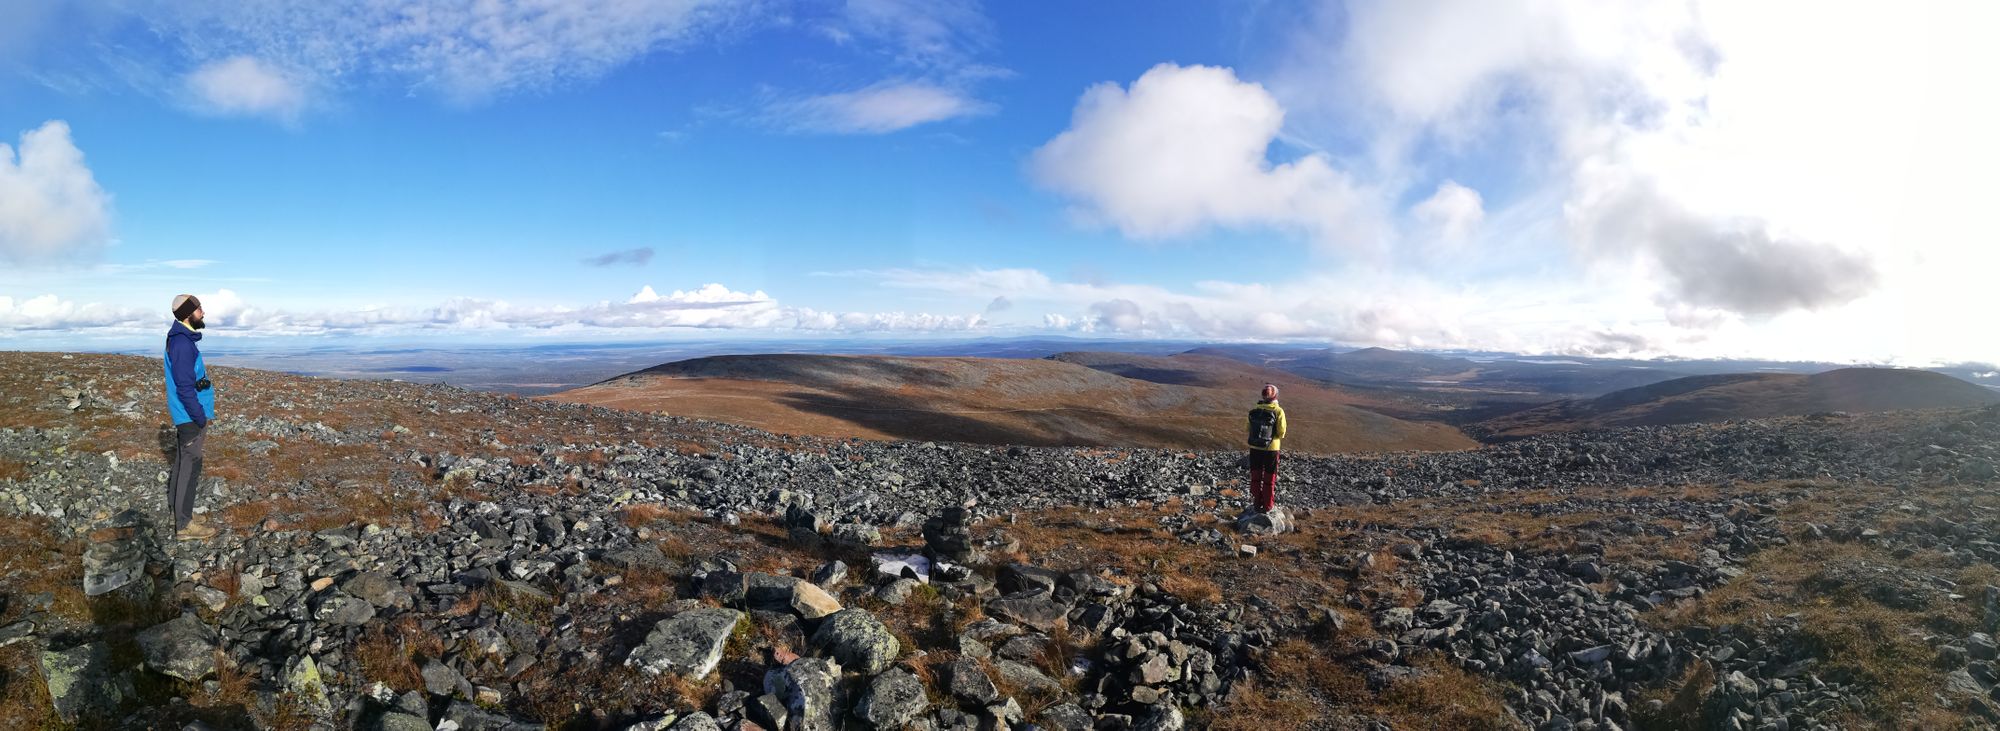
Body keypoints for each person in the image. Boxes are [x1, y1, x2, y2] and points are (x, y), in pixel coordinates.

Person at [165, 294, 217, 539]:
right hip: (189, 417)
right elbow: (184, 387)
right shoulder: (182, 344)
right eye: (199, 309)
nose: (203, 313)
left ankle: (180, 513)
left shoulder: (182, 339)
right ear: (189, 314)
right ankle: (184, 526)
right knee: (190, 467)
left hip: (187, 415)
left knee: (182, 464)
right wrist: (199, 417)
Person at [1245, 383, 1287, 514]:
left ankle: (1257, 503)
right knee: (1269, 478)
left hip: (1255, 447)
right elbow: (1282, 433)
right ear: (1275, 395)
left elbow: (1247, 428)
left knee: (1256, 476)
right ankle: (1268, 506)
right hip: (1271, 448)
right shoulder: (1278, 411)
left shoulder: (1254, 410)